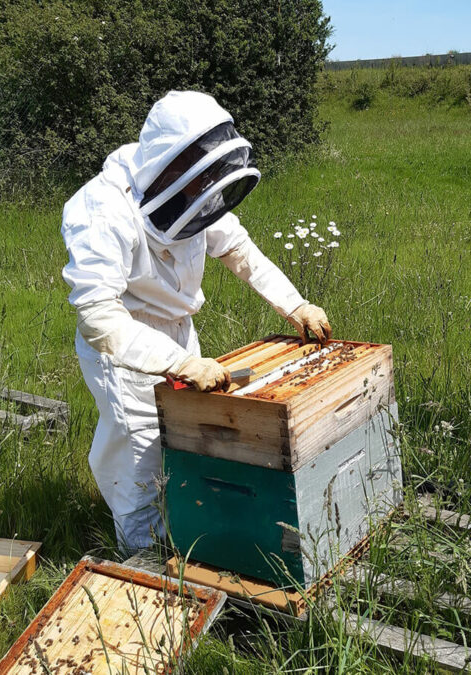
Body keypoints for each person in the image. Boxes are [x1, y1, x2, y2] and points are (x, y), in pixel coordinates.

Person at [61, 90, 331, 553]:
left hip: (179, 337)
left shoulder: (193, 189)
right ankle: (145, 556)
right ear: (170, 162)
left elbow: (239, 252)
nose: (205, 183)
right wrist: (178, 363)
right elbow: (99, 319)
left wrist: (296, 305)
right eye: (197, 170)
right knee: (140, 458)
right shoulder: (100, 210)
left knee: (187, 442)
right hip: (126, 348)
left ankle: (192, 533)